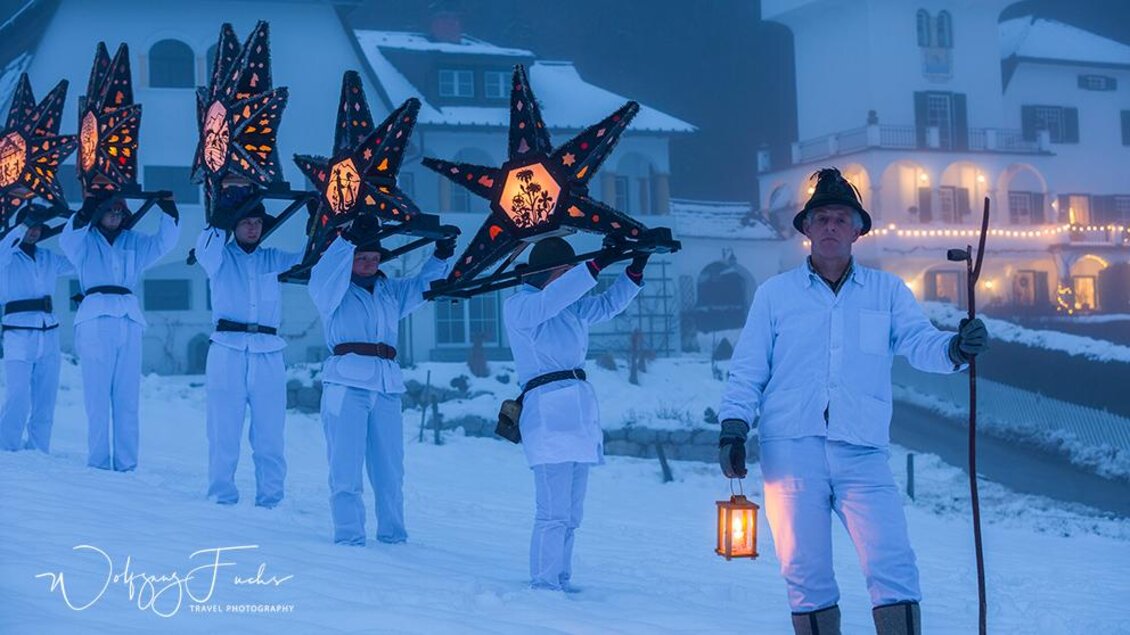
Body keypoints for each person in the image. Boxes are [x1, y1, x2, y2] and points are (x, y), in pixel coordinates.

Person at [717, 168, 988, 635]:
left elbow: (919, 342)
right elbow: (748, 369)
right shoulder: (775, 296)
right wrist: (734, 426)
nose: (831, 226)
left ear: (858, 230)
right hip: (791, 449)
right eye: (821, 218)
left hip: (862, 448)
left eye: (841, 219)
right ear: (806, 228)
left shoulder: (887, 292)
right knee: (805, 571)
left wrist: (955, 348)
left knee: (893, 562)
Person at [503, 236, 647, 592]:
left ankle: (561, 578)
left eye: (573, 273)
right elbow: (551, 300)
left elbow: (606, 305)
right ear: (546, 272)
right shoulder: (521, 306)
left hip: (578, 413)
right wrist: (595, 264)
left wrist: (635, 266)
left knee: (571, 513)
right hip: (547, 412)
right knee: (552, 511)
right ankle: (544, 583)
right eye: (565, 273)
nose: (570, 280)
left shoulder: (569, 307)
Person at [309, 216, 455, 545]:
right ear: (349, 259)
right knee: (345, 466)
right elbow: (324, 271)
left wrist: (441, 255)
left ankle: (393, 535)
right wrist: (347, 239)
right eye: (361, 258)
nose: (369, 264)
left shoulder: (389, 291)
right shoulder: (331, 290)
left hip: (386, 386)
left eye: (374, 258)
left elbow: (423, 286)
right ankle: (349, 537)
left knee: (390, 469)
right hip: (347, 384)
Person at [194, 188, 302, 507]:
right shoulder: (219, 258)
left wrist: (319, 225)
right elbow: (204, 249)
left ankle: (271, 499)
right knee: (223, 429)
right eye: (246, 222)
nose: (253, 228)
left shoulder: (273, 259)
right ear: (235, 225)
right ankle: (221, 496)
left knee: (270, 433)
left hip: (268, 351)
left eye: (257, 222)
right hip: (227, 349)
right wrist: (219, 219)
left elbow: (309, 258)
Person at [59, 194, 180, 471]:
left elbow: (164, 243)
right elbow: (68, 239)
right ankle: (99, 462)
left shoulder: (134, 241)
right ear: (99, 213)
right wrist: (83, 214)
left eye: (119, 212)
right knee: (97, 395)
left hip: (128, 317)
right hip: (96, 317)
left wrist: (169, 213)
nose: (115, 216)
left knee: (127, 396)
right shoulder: (85, 241)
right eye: (109, 211)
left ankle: (127, 464)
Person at [0, 207, 74, 452]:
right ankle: (7, 447)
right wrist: (20, 227)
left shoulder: (48, 257)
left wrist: (83, 226)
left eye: (37, 227)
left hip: (48, 331)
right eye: (29, 227)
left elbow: (78, 261)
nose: (33, 232)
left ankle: (40, 448)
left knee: (45, 397)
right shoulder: (7, 256)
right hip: (18, 332)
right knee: (18, 396)